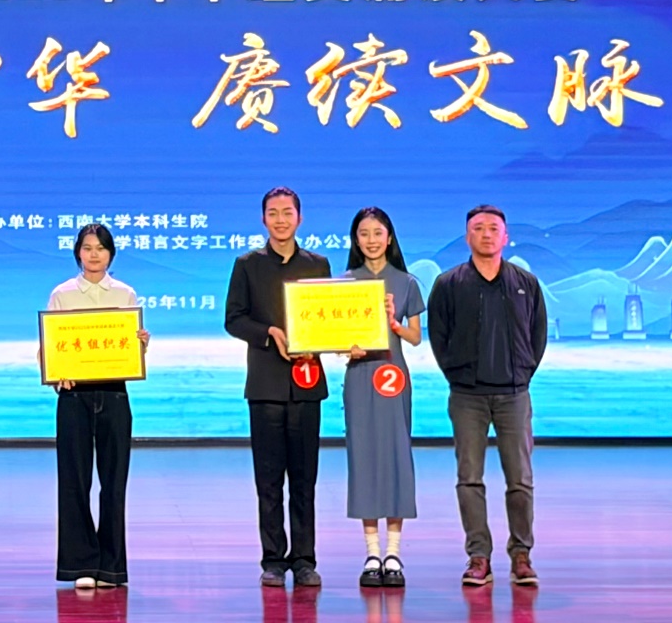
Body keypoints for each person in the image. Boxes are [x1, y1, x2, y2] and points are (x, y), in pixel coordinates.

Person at [427, 205, 546, 587]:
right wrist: (457, 374)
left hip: (514, 395)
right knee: (469, 479)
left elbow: (537, 335)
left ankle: (521, 555)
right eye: (478, 228)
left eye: (494, 228)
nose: (486, 234)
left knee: (520, 479)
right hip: (467, 397)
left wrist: (521, 374)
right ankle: (479, 556)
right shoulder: (449, 284)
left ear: (506, 237)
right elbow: (438, 336)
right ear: (467, 237)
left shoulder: (525, 282)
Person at [224, 187, 331, 588]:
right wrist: (269, 333)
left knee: (304, 480)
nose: (281, 219)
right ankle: (272, 559)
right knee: (268, 480)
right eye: (273, 213)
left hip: (307, 384)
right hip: (265, 385)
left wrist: (326, 339)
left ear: (300, 218)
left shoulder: (318, 264)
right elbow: (234, 319)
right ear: (263, 219)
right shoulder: (247, 265)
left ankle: (304, 559)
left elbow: (327, 317)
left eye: (288, 212)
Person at [46, 223, 150, 589]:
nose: (94, 254)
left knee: (113, 483)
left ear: (110, 254)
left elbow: (129, 350)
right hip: (73, 397)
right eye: (87, 247)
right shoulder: (62, 294)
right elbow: (50, 347)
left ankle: (111, 568)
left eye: (101, 248)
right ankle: (81, 566)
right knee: (74, 482)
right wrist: (56, 373)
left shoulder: (125, 293)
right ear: (78, 252)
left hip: (114, 395)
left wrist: (140, 346)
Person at [343, 207, 424, 588]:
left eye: (378, 233)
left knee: (395, 456)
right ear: (355, 240)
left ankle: (393, 552)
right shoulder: (345, 283)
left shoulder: (406, 282)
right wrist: (346, 348)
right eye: (364, 233)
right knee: (363, 458)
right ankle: (371, 551)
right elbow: (335, 339)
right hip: (360, 376)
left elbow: (415, 337)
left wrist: (394, 325)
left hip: (392, 376)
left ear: (389, 238)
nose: (371, 240)